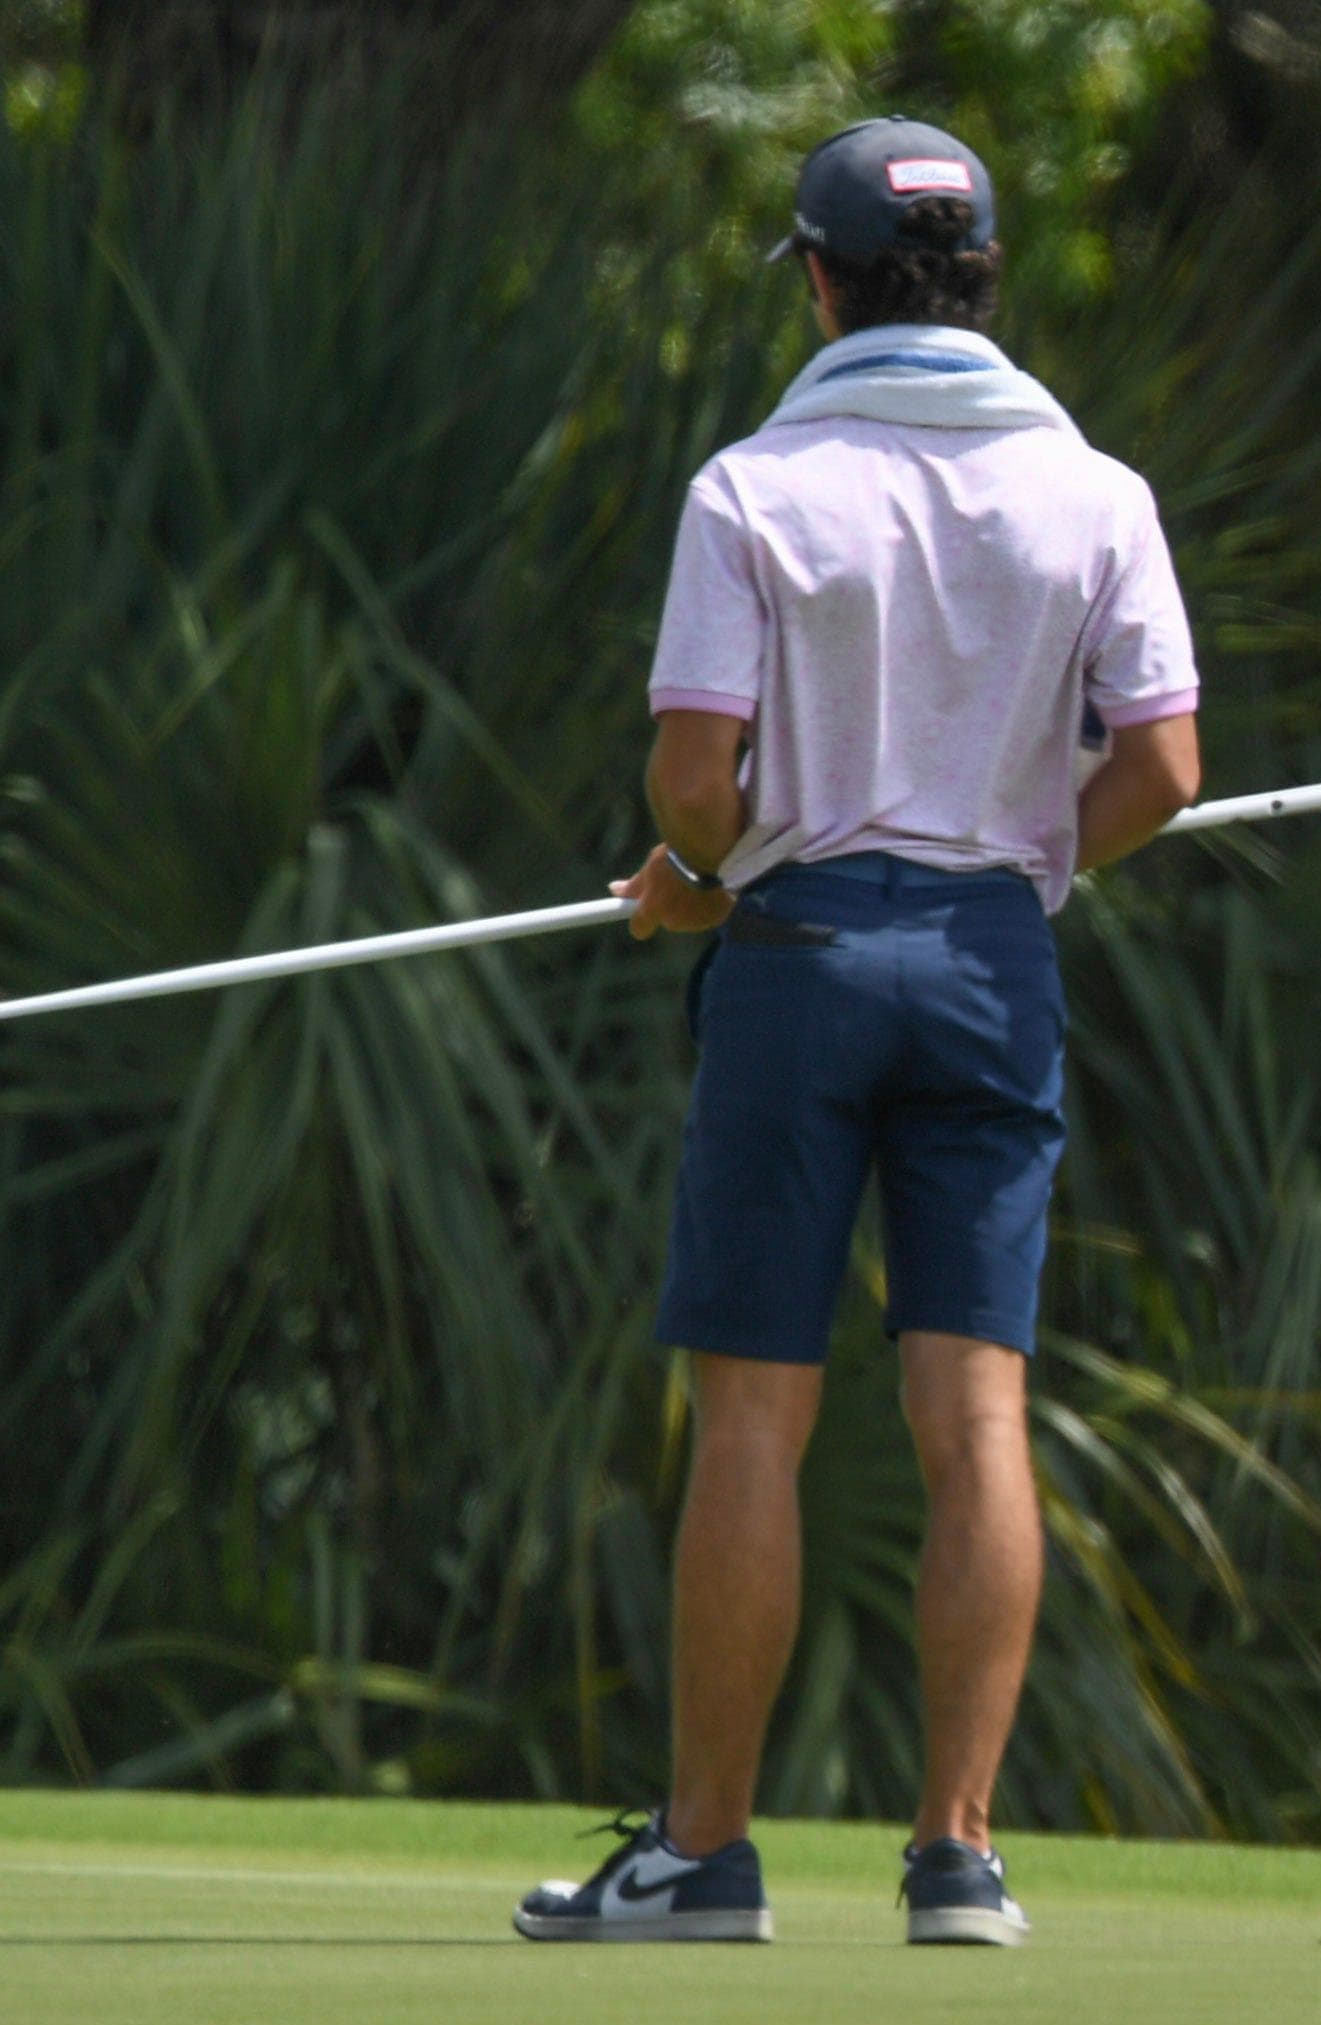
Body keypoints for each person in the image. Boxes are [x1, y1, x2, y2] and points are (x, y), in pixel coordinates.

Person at [510, 116, 1204, 1948]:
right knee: (976, 1406)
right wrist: (1027, 862)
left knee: (757, 1414)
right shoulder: (1098, 492)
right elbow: (1164, 766)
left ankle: (707, 1855)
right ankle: (958, 1855)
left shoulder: (755, 486)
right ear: (982, 279)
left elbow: (693, 776)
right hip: (992, 961)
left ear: (820, 281)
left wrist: (688, 876)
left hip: (801, 952)